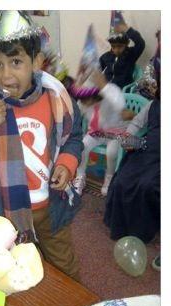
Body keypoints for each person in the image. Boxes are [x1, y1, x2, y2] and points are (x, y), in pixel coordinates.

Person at [0, 11, 84, 281]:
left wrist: (67, 162)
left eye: (16, 62)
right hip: (4, 212)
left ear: (36, 62)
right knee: (13, 274)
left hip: (52, 208)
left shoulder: (57, 99)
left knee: (65, 269)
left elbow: (74, 137)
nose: (7, 75)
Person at [104, 71, 160, 243]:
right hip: (145, 150)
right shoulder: (153, 105)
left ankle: (142, 231)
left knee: (147, 185)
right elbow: (136, 123)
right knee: (122, 181)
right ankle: (122, 227)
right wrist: (128, 136)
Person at [71, 70, 126, 196]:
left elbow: (119, 103)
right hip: (95, 133)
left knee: (111, 153)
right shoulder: (84, 103)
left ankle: (109, 177)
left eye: (86, 99)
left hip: (114, 133)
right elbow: (75, 112)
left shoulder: (109, 98)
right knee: (82, 146)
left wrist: (105, 87)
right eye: (82, 99)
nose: (84, 103)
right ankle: (80, 176)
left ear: (95, 96)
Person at [100, 20, 145, 89]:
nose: (116, 50)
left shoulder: (130, 54)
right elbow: (96, 67)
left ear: (127, 43)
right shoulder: (107, 56)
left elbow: (140, 43)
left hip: (123, 90)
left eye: (120, 46)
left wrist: (128, 30)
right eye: (113, 46)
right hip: (108, 89)